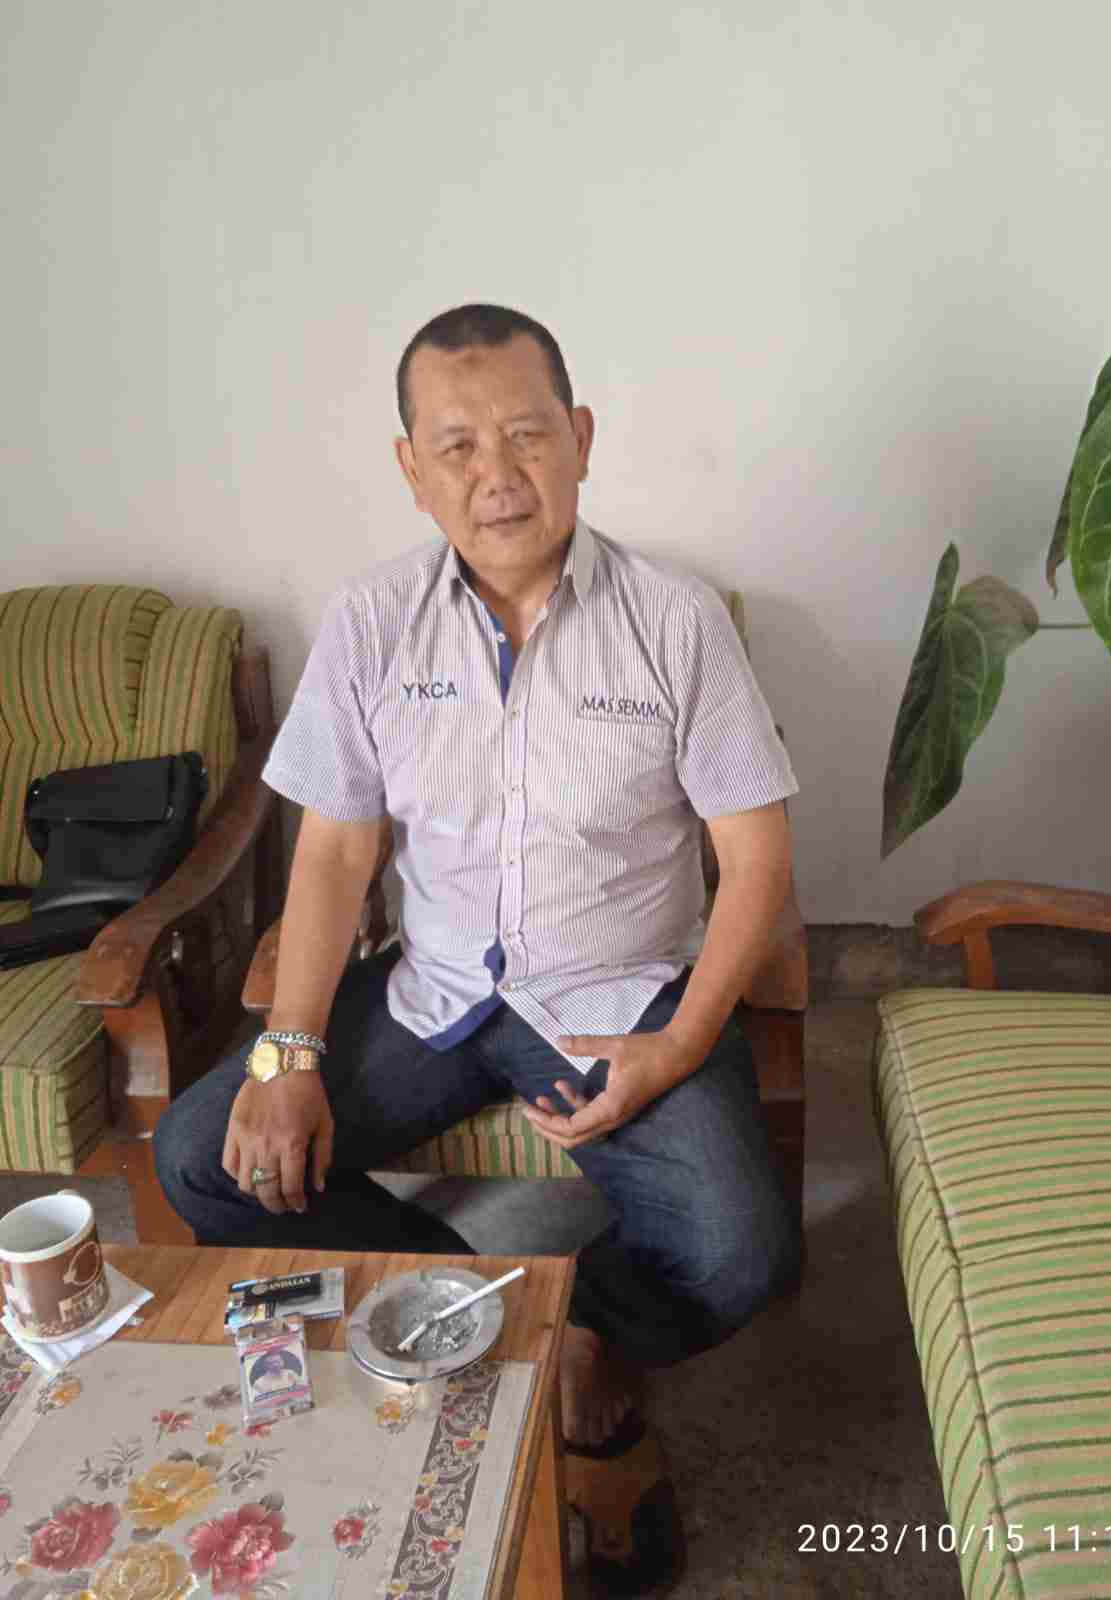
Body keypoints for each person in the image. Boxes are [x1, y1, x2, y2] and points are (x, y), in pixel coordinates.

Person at [155, 303, 803, 1596]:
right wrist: (286, 1055)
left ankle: (592, 1337)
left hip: (619, 1002)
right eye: (455, 445)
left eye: (526, 435)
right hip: (435, 990)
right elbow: (333, 858)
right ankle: (490, 1314)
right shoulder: (370, 622)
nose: (495, 474)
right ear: (411, 467)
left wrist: (681, 1043)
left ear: (582, 439)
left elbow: (758, 861)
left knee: (745, 1252)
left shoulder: (676, 621)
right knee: (202, 1157)